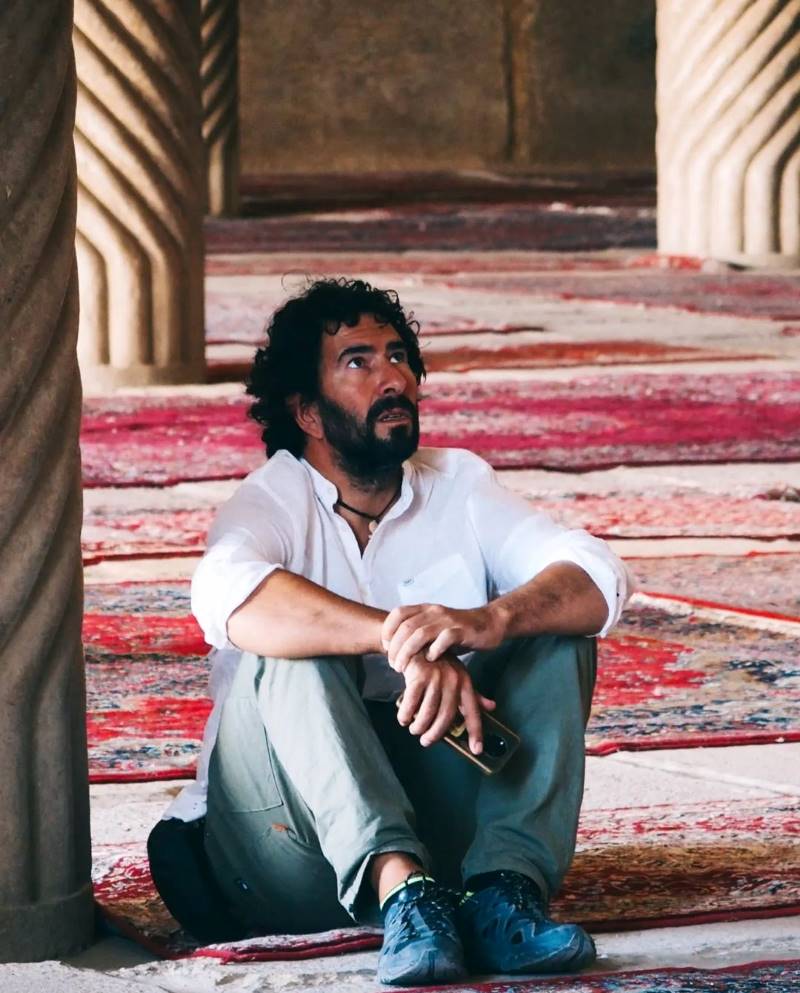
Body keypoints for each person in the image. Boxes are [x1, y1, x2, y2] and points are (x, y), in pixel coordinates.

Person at [147, 278, 631, 986]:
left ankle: (503, 891)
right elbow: (224, 591)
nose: (394, 378)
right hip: (282, 848)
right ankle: (399, 888)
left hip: (443, 838)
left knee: (555, 628)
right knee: (290, 647)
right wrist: (399, 638)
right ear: (307, 412)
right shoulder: (270, 501)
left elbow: (596, 573)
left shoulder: (458, 483)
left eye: (399, 356)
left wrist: (487, 620)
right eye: (359, 361)